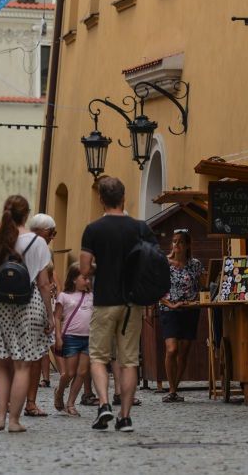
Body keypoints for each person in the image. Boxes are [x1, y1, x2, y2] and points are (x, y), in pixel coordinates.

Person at [79, 176, 154, 433]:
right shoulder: (140, 228)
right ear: (124, 198)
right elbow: (153, 261)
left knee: (99, 357)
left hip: (104, 301)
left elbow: (85, 269)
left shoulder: (93, 229)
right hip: (133, 302)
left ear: (101, 199)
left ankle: (103, 404)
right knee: (129, 360)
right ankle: (125, 417)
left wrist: (103, 266)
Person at [0, 195, 53, 433]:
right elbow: (43, 284)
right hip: (28, 305)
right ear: (26, 214)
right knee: (23, 366)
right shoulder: (38, 243)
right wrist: (50, 315)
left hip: (1, 306)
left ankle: (0, 417)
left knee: (3, 365)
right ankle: (14, 421)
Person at [159, 229, 203, 403]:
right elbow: (154, 287)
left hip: (190, 309)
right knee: (172, 349)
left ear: (187, 245)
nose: (176, 245)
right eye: (174, 241)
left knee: (183, 353)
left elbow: (203, 285)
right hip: (169, 309)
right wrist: (169, 303)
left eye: (181, 242)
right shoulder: (165, 263)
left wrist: (199, 298)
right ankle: (171, 389)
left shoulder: (195, 264)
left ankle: (174, 390)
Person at [25, 213, 58, 417]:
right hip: (34, 302)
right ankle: (30, 403)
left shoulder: (15, 243)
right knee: (36, 354)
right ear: (40, 230)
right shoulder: (41, 247)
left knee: (14, 355)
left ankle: (10, 401)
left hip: (10, 303)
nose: (53, 236)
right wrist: (50, 314)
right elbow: (44, 284)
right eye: (51, 232)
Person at [53, 264, 93, 416]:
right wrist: (58, 336)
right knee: (69, 373)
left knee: (82, 373)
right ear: (74, 279)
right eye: (84, 278)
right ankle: (59, 391)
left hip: (88, 338)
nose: (87, 281)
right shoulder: (64, 296)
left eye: (88, 278)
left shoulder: (91, 296)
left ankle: (70, 403)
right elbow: (57, 317)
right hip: (70, 337)